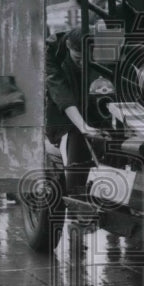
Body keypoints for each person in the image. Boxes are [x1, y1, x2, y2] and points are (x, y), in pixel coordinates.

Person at [45, 27, 102, 195]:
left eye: (88, 59)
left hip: (91, 103)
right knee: (75, 137)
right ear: (68, 45)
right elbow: (61, 94)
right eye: (78, 58)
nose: (83, 63)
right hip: (61, 109)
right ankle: (74, 193)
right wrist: (83, 126)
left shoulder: (103, 47)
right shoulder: (51, 51)